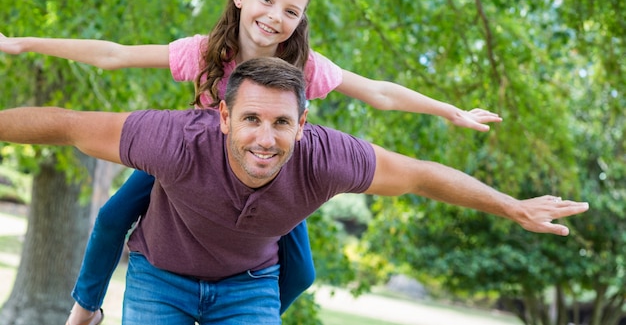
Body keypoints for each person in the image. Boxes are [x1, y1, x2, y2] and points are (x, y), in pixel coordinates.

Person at [0, 0, 503, 325]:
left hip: (265, 180)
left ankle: (239, 310)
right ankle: (85, 310)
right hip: (189, 171)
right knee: (113, 217)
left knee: (301, 271)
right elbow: (112, 54)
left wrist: (448, 110)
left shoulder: (305, 67)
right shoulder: (202, 52)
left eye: (291, 11)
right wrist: (24, 43)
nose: (275, 17)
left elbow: (379, 93)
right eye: (267, 0)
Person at [0, 57, 589, 325]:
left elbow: (421, 174)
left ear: (302, 126)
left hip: (248, 288)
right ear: (224, 117)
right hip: (161, 275)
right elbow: (66, 122)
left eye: (282, 123)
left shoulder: (326, 156)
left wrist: (510, 205)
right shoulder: (175, 139)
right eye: (251, 120)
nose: (265, 138)